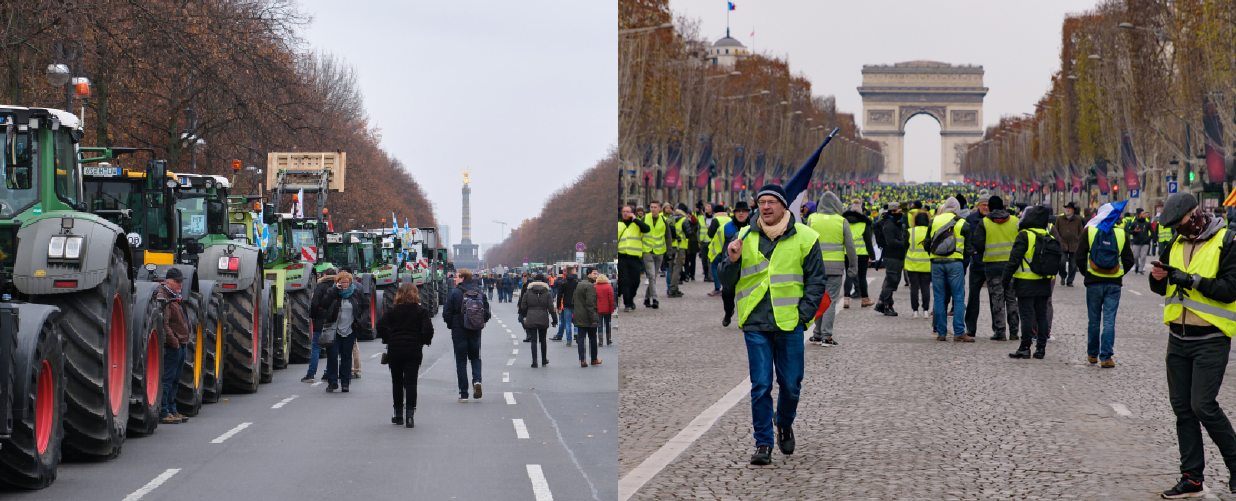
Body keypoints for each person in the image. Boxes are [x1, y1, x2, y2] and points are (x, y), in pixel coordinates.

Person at [719, 184, 826, 466]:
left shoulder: (806, 236)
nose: (765, 207)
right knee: (761, 384)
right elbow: (726, 282)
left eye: (771, 202)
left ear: (783, 206)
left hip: (790, 321)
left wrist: (805, 315)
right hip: (755, 321)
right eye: (761, 202)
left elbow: (816, 280)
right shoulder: (742, 236)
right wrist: (731, 259)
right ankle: (763, 443)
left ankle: (785, 422)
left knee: (791, 385)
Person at [1147, 194, 1236, 498]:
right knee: (1183, 409)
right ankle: (1191, 478)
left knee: (1203, 406)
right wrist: (1158, 278)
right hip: (1178, 339)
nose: (1178, 232)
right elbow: (1163, 288)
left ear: (1196, 216)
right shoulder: (1173, 245)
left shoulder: (1227, 241)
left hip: (1211, 339)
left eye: (1181, 225)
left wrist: (1191, 280)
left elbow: (1229, 289)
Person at [1075, 205, 1134, 368]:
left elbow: (1079, 255)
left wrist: (1086, 272)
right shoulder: (1122, 234)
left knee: (1093, 321)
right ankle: (1106, 357)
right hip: (1113, 284)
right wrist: (1119, 273)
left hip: (1093, 282)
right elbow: (1129, 260)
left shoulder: (1090, 231)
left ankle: (1092, 355)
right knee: (1109, 321)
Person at [376, 283, 434, 428]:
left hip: (395, 348)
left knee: (397, 381)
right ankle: (410, 416)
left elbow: (380, 325)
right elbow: (428, 330)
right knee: (411, 382)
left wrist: (389, 338)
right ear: (415, 294)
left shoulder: (392, 310)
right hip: (413, 349)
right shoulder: (421, 311)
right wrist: (422, 340)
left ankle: (398, 414)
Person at [1006, 206, 1054, 359]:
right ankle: (1041, 349)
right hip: (1044, 282)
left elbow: (1014, 260)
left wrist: (1005, 279)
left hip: (1025, 282)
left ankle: (1025, 347)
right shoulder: (1048, 235)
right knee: (1041, 315)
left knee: (1026, 315)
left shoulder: (1024, 235)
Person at [809, 192, 857, 345]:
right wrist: (853, 267)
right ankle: (826, 336)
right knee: (830, 301)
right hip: (835, 268)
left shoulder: (812, 219)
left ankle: (816, 333)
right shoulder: (841, 221)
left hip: (815, 267)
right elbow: (850, 247)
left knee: (817, 299)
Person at [971, 196, 1020, 341]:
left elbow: (979, 245)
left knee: (997, 299)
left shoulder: (984, 222)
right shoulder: (1015, 221)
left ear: (990, 208)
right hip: (1012, 267)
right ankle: (1014, 332)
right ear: (1004, 207)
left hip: (993, 267)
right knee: (1012, 299)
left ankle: (1000, 331)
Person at [443, 269, 490, 402]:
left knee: (461, 362)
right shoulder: (479, 292)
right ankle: (477, 381)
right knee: (475, 358)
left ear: (462, 278)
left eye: (457, 277)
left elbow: (446, 313)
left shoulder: (454, 293)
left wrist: (452, 325)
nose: (455, 279)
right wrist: (478, 323)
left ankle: (464, 394)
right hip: (475, 331)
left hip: (459, 332)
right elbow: (486, 313)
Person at [319, 271, 369, 392]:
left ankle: (345, 382)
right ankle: (332, 382)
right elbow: (324, 304)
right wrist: (334, 291)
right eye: (342, 282)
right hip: (334, 330)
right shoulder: (333, 292)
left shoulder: (356, 293)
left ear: (351, 283)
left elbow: (365, 307)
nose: (345, 284)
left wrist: (361, 321)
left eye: (347, 282)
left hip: (350, 330)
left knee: (346, 356)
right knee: (332, 356)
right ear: (338, 282)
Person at [929, 197, 970, 341]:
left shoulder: (934, 221)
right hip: (955, 263)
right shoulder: (962, 223)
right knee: (958, 297)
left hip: (936, 263)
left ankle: (941, 333)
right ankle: (959, 332)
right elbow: (969, 247)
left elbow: (927, 242)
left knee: (939, 298)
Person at [159, 267, 190, 424]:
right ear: (168, 282)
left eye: (181, 281)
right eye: (177, 282)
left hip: (180, 344)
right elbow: (164, 324)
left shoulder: (175, 296)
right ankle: (164, 411)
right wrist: (175, 343)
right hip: (173, 347)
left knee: (175, 379)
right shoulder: (165, 298)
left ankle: (172, 410)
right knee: (168, 378)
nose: (180, 284)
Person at [303, 267, 338, 383]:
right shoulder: (337, 287)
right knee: (331, 348)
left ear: (324, 275)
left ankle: (311, 374)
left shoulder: (321, 287)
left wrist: (313, 316)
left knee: (316, 348)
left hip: (320, 320)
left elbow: (314, 303)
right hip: (333, 321)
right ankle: (328, 373)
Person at [720, 201, 752, 326]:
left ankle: (743, 318)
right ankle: (728, 312)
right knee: (727, 292)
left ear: (748, 213)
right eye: (738, 211)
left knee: (746, 293)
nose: (741, 213)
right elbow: (718, 244)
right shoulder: (726, 227)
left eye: (744, 211)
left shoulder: (754, 227)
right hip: (730, 264)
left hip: (747, 264)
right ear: (734, 213)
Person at [874, 202, 908, 317]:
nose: (901, 214)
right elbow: (890, 242)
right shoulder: (889, 225)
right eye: (899, 212)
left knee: (891, 280)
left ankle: (880, 302)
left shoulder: (896, 223)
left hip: (897, 256)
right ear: (892, 212)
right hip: (891, 256)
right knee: (892, 281)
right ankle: (888, 305)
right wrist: (904, 243)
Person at [962, 194, 989, 336]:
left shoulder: (996, 219)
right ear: (978, 205)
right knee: (973, 297)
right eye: (983, 204)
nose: (986, 207)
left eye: (988, 205)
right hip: (977, 263)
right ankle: (971, 328)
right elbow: (965, 238)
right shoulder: (970, 219)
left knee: (996, 298)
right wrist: (971, 251)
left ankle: (1000, 329)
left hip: (991, 263)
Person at [518, 273, 556, 368]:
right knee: (543, 340)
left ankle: (534, 361)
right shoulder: (547, 293)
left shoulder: (528, 293)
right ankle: (544, 360)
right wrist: (555, 319)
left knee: (534, 340)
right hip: (543, 317)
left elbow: (523, 306)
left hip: (531, 317)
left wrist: (523, 316)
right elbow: (551, 308)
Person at [843, 198, 874, 308]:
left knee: (848, 276)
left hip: (847, 253)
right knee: (862, 277)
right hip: (862, 254)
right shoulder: (864, 224)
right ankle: (864, 299)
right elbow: (868, 241)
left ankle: (846, 299)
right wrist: (873, 255)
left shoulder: (845, 222)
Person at [618, 205, 650, 312]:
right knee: (624, 281)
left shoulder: (637, 224)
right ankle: (627, 303)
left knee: (635, 281)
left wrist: (635, 219)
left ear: (632, 213)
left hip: (634, 257)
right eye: (624, 211)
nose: (626, 213)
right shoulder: (618, 225)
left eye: (628, 212)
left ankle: (631, 299)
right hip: (621, 257)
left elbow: (647, 229)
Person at [641, 201, 669, 308]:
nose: (653, 209)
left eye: (655, 207)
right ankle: (655, 299)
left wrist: (669, 252)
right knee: (652, 275)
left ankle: (646, 298)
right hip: (647, 251)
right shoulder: (645, 218)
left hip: (659, 251)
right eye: (651, 207)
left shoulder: (663, 220)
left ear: (660, 209)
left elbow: (668, 236)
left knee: (654, 277)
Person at [906, 212, 932, 318]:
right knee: (926, 287)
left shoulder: (910, 231)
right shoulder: (930, 232)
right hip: (927, 264)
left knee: (914, 288)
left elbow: (904, 246)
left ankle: (915, 311)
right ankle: (926, 310)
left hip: (912, 264)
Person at [573, 267, 601, 367]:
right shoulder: (590, 286)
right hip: (589, 317)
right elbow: (590, 303)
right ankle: (594, 359)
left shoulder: (579, 284)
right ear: (588, 274)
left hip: (579, 316)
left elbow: (574, 300)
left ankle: (582, 359)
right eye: (594, 273)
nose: (596, 276)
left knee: (581, 338)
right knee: (593, 338)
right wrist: (594, 318)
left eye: (596, 274)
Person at [1055, 202, 1085, 286]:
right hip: (1063, 244)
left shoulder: (1078, 220)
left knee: (1073, 264)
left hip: (1074, 245)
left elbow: (1081, 231)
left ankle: (1070, 280)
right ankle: (1063, 276)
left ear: (1072, 210)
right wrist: (1059, 239)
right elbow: (1056, 230)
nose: (1067, 210)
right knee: (1061, 262)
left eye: (1069, 208)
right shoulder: (1060, 219)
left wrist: (1079, 239)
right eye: (1066, 208)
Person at [706, 204, 732, 297]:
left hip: (717, 248)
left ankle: (717, 288)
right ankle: (727, 287)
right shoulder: (730, 220)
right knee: (728, 268)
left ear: (714, 212)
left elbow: (710, 234)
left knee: (714, 267)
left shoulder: (716, 220)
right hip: (729, 249)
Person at [667, 203, 691, 297]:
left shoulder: (670, 218)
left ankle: (673, 288)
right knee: (678, 268)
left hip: (670, 246)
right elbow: (688, 234)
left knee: (671, 268)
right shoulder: (684, 220)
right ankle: (673, 290)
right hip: (680, 246)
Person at [553, 266, 580, 344]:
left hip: (566, 304)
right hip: (576, 304)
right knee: (576, 321)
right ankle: (576, 331)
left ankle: (569, 340)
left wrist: (558, 306)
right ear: (573, 272)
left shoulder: (563, 281)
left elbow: (560, 295)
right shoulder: (578, 281)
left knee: (567, 322)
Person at [1128, 209, 1152, 274]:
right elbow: (1129, 231)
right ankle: (1137, 265)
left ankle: (1141, 269)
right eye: (1143, 214)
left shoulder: (1147, 223)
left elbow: (1152, 232)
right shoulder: (1135, 223)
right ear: (1139, 215)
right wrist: (1134, 231)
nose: (1144, 215)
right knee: (1135, 256)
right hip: (1136, 242)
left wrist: (1148, 238)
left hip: (1145, 242)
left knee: (1143, 256)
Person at [596, 273, 615, 345]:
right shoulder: (609, 287)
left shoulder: (595, 287)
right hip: (607, 309)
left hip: (598, 309)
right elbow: (611, 299)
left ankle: (600, 340)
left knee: (599, 325)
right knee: (608, 324)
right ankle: (608, 339)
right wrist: (612, 308)